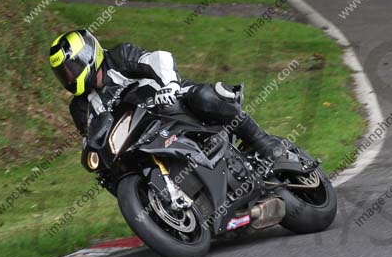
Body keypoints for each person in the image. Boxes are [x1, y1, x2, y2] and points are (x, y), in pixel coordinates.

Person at [48, 30, 286, 165]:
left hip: (169, 106)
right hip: (140, 141)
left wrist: (169, 86)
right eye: (64, 74)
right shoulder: (80, 106)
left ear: (87, 56)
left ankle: (262, 141)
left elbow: (158, 59)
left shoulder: (118, 57)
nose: (69, 77)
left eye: (72, 68)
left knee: (203, 96)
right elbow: (91, 135)